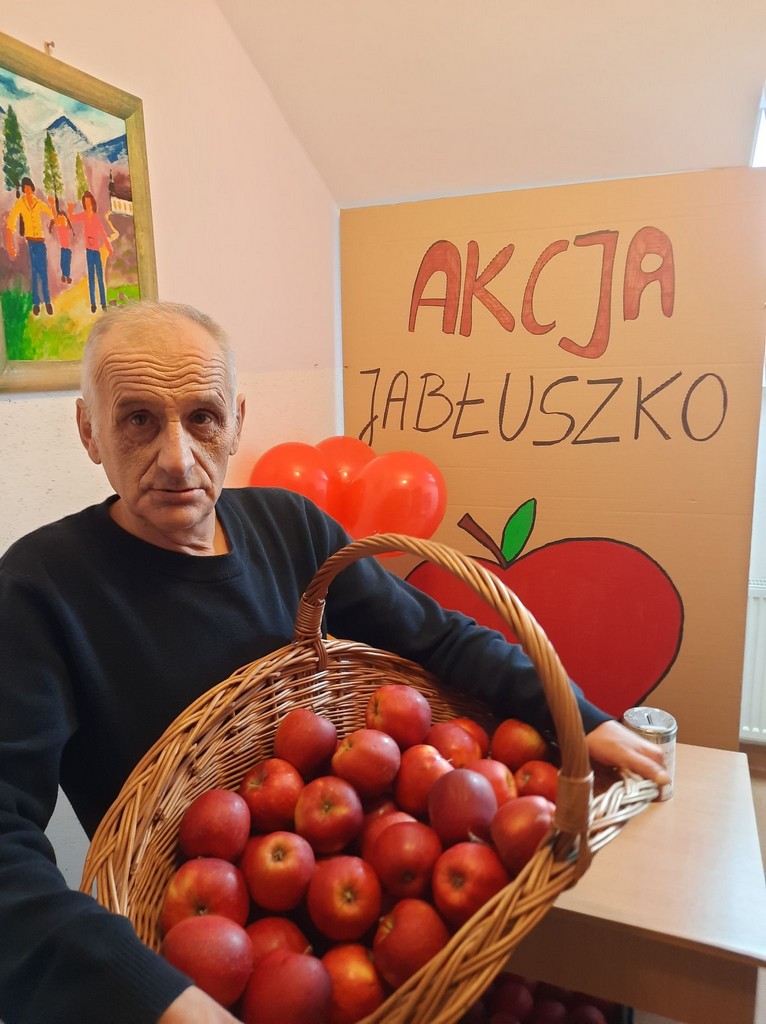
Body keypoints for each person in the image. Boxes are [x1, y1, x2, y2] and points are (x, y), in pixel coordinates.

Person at [0, 300, 668, 1024]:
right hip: (196, 958)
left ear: (237, 421)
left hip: (362, 883)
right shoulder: (39, 589)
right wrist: (151, 996)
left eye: (203, 417)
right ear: (88, 430)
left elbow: (438, 637)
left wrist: (583, 719)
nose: (177, 458)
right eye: (137, 419)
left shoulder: (290, 526)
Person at [5, 177, 55, 316]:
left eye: (29, 189)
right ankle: (36, 303)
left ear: (32, 189)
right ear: (23, 190)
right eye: (25, 189)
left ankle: (48, 302)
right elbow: (11, 222)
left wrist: (51, 208)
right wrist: (9, 244)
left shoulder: (38, 203)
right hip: (31, 243)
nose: (28, 191)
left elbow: (52, 215)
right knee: (34, 273)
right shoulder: (20, 203)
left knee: (43, 273)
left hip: (41, 242)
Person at [68, 190, 113, 312]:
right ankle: (93, 303)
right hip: (89, 251)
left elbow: (103, 233)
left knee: (100, 277)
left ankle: (103, 303)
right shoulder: (83, 215)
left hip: (96, 251)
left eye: (89, 203)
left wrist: (109, 247)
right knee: (91, 278)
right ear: (84, 204)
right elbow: (72, 218)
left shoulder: (95, 217)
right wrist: (70, 209)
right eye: (86, 203)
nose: (88, 205)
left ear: (93, 203)